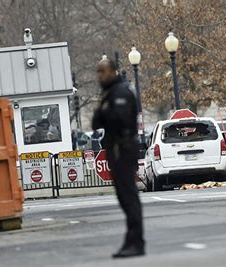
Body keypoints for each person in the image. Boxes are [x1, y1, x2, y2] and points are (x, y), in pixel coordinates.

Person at [92, 58, 145, 258]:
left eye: (103, 71)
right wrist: (104, 113)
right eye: (98, 71)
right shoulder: (107, 94)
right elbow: (96, 122)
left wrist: (106, 114)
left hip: (123, 148)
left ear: (113, 71)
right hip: (114, 149)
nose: (100, 75)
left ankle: (136, 241)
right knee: (123, 197)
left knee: (129, 196)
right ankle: (131, 240)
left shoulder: (121, 92)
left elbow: (120, 121)